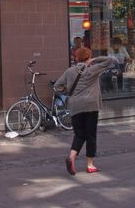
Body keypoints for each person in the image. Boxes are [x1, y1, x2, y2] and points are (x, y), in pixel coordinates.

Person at [54, 47, 115, 175]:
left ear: (76, 58)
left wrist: (68, 92)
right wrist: (94, 60)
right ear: (89, 57)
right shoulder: (92, 69)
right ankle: (90, 164)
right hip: (90, 106)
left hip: (75, 106)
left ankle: (71, 157)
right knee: (91, 135)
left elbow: (57, 86)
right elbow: (109, 60)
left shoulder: (69, 71)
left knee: (79, 134)